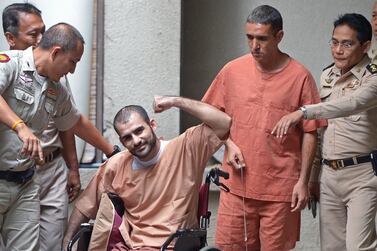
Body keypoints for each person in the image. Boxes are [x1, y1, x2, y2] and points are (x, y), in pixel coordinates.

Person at [202, 5, 326, 251]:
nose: (254, 45)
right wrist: (229, 143)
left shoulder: (300, 76)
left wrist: (303, 182)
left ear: (279, 37)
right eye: (249, 38)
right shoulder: (232, 70)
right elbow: (210, 116)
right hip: (236, 185)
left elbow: (311, 131)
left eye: (262, 38)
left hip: (280, 189)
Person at [0, 22, 117, 251]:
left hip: (25, 183)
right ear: (55, 52)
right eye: (73, 61)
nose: (73, 70)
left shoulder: (57, 90)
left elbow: (76, 121)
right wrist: (19, 126)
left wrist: (111, 151)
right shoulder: (9, 63)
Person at [63, 95, 231, 250]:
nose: (136, 141)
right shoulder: (116, 165)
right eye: (128, 137)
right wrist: (66, 243)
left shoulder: (186, 149)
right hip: (133, 246)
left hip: (175, 246)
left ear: (152, 125)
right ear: (122, 141)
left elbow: (224, 122)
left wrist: (175, 101)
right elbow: (85, 207)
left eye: (139, 131)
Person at [272, 13, 377, 251]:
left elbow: (351, 104)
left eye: (347, 43)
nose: (338, 50)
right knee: (331, 248)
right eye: (334, 42)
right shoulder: (327, 75)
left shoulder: (373, 76)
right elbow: (321, 132)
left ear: (365, 46)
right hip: (329, 176)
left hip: (362, 175)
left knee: (359, 247)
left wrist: (303, 112)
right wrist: (312, 178)